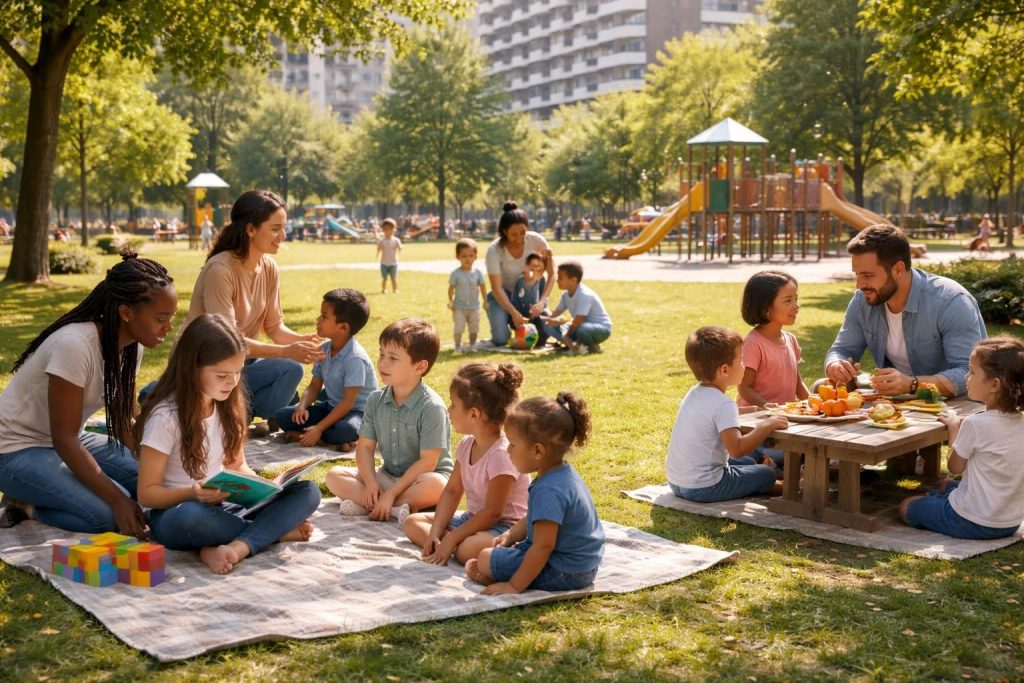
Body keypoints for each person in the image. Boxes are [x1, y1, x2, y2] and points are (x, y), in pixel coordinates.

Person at [0, 251, 176, 533]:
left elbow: (124, 422)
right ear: (126, 313)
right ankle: (26, 504)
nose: (168, 327)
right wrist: (117, 499)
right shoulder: (74, 346)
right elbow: (64, 440)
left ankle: (46, 494)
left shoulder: (133, 346)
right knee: (109, 514)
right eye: (161, 318)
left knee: (149, 484)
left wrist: (159, 462)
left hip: (68, 440)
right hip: (14, 450)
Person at [135, 314, 321, 574]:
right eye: (222, 375)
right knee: (191, 518)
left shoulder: (228, 407)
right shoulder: (165, 416)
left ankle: (236, 547)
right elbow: (147, 493)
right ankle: (270, 532)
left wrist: (263, 488)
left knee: (309, 492)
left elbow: (237, 465)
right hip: (175, 511)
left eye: (237, 372)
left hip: (224, 506)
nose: (232, 383)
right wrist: (192, 493)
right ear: (191, 368)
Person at [182, 189, 324, 430]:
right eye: (275, 228)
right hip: (203, 363)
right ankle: (178, 395)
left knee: (289, 372)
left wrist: (307, 342)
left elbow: (274, 326)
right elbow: (226, 343)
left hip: (241, 362)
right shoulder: (220, 270)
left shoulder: (269, 267)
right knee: (288, 368)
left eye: (284, 227)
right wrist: (287, 351)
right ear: (250, 229)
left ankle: (233, 415)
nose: (283, 235)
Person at [824, 224, 986, 399]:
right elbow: (842, 349)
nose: (859, 285)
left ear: (898, 269)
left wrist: (912, 385)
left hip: (954, 403)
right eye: (857, 274)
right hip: (897, 402)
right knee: (822, 388)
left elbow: (968, 372)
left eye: (868, 275)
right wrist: (835, 364)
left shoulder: (950, 301)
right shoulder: (862, 301)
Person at [465, 392, 604, 594]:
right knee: (491, 554)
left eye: (512, 444)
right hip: (583, 566)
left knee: (485, 558)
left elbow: (543, 547)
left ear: (538, 451)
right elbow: (534, 516)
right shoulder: (560, 473)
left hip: (564, 571)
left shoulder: (549, 490)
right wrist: (511, 534)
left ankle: (500, 576)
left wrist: (514, 586)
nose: (507, 451)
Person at [325, 318, 453, 522]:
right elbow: (365, 448)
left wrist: (392, 493)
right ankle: (392, 508)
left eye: (393, 358)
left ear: (419, 367)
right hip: (387, 475)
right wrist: (370, 484)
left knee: (438, 486)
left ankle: (374, 505)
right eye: (382, 354)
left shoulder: (432, 407)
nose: (383, 363)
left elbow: (428, 463)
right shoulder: (375, 399)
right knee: (334, 476)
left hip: (422, 479)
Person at [403, 363, 529, 565]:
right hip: (472, 520)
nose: (448, 409)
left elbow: (493, 513)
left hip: (504, 527)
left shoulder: (501, 454)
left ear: (474, 414)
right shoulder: (466, 445)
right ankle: (447, 544)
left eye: (453, 404)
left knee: (465, 551)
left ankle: (455, 546)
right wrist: (435, 532)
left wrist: (453, 537)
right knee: (412, 522)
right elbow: (452, 491)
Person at [899, 337, 1024, 540]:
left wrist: (954, 427)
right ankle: (943, 499)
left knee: (907, 506)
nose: (966, 376)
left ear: (994, 384)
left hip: (971, 521)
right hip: (1009, 523)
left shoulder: (975, 424)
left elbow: (955, 467)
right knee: (944, 485)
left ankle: (940, 506)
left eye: (972, 372)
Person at [666, 326, 789, 503]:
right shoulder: (724, 404)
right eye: (740, 361)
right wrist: (765, 426)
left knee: (748, 463)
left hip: (677, 482)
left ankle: (754, 479)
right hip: (706, 487)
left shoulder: (694, 393)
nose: (744, 365)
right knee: (766, 473)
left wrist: (752, 411)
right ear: (724, 370)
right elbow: (737, 449)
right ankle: (783, 487)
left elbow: (711, 414)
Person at [273, 289, 378, 452]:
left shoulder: (355, 359)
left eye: (324, 316)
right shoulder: (323, 350)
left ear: (343, 327)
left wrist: (319, 428)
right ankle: (330, 440)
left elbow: (347, 403)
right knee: (283, 416)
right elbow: (314, 386)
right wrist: (302, 406)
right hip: (331, 407)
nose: (317, 319)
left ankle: (321, 436)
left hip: (356, 413)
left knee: (344, 430)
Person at [482, 201, 556, 347]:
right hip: (503, 297)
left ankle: (521, 323)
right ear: (504, 232)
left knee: (541, 339)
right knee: (500, 340)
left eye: (523, 232)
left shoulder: (536, 241)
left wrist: (541, 302)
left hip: (530, 298)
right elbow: (496, 288)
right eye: (514, 235)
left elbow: (552, 274)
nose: (520, 238)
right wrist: (513, 312)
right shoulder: (494, 250)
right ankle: (507, 321)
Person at [737, 270, 809, 408]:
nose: (796, 306)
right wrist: (767, 406)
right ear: (765, 308)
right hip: (756, 419)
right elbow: (744, 388)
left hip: (784, 417)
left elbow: (797, 384)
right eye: (788, 300)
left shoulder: (791, 340)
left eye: (796, 299)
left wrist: (814, 403)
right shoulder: (753, 344)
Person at [541, 261, 612, 355]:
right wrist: (544, 319)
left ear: (573, 280)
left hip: (601, 329)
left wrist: (566, 335)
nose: (557, 280)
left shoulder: (584, 295)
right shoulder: (565, 295)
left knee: (582, 329)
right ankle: (575, 346)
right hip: (578, 325)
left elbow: (579, 320)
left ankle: (589, 347)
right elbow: (557, 312)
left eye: (561, 278)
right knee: (548, 325)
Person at [448, 238, 488, 353]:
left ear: (475, 257)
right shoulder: (456, 274)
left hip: (474, 307)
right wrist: (450, 301)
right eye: (464, 256)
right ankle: (457, 346)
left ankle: (472, 345)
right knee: (459, 328)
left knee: (474, 328)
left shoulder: (478, 273)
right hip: (459, 307)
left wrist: (485, 301)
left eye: (471, 255)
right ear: (458, 257)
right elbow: (451, 289)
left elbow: (483, 287)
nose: (467, 259)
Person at [509, 253, 550, 347]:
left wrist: (539, 308)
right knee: (523, 336)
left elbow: (544, 298)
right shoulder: (521, 280)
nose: (536, 271)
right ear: (527, 267)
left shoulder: (541, 279)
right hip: (521, 315)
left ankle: (539, 339)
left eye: (539, 269)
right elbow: (516, 299)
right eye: (533, 268)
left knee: (546, 316)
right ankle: (519, 338)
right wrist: (520, 315)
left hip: (535, 315)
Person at [377, 218, 402, 294]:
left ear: (393, 230)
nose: (388, 231)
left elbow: (400, 247)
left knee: (393, 278)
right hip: (384, 263)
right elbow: (379, 249)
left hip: (394, 263)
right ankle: (384, 289)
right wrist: (378, 247)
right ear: (383, 230)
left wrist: (400, 248)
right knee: (384, 278)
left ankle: (395, 289)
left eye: (390, 229)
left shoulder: (396, 240)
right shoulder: (382, 241)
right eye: (385, 229)